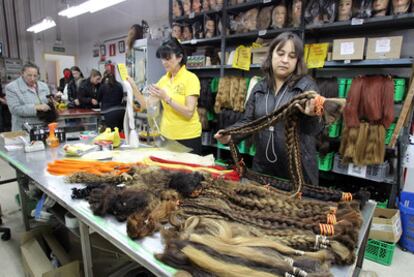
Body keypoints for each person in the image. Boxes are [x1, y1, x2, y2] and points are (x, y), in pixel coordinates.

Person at [215, 32, 323, 186]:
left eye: (292, 56)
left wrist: (313, 115)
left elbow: (314, 130)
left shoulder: (306, 87)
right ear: (271, 55)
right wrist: (230, 135)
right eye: (280, 53)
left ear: (297, 61)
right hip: (263, 168)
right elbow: (249, 121)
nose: (285, 60)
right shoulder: (260, 87)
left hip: (298, 171)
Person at [128, 38, 202, 154]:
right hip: (167, 137)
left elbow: (188, 113)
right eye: (162, 58)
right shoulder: (163, 80)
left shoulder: (191, 78)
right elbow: (145, 105)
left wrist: (166, 98)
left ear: (179, 57)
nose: (164, 62)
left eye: (168, 58)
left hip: (188, 138)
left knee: (187, 172)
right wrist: (133, 86)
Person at [5, 62, 51, 131]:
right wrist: (36, 107)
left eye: (35, 76)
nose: (32, 79)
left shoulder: (43, 86)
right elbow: (15, 109)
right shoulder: (12, 87)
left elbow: (48, 102)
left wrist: (52, 102)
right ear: (22, 74)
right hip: (23, 129)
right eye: (29, 75)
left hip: (43, 127)